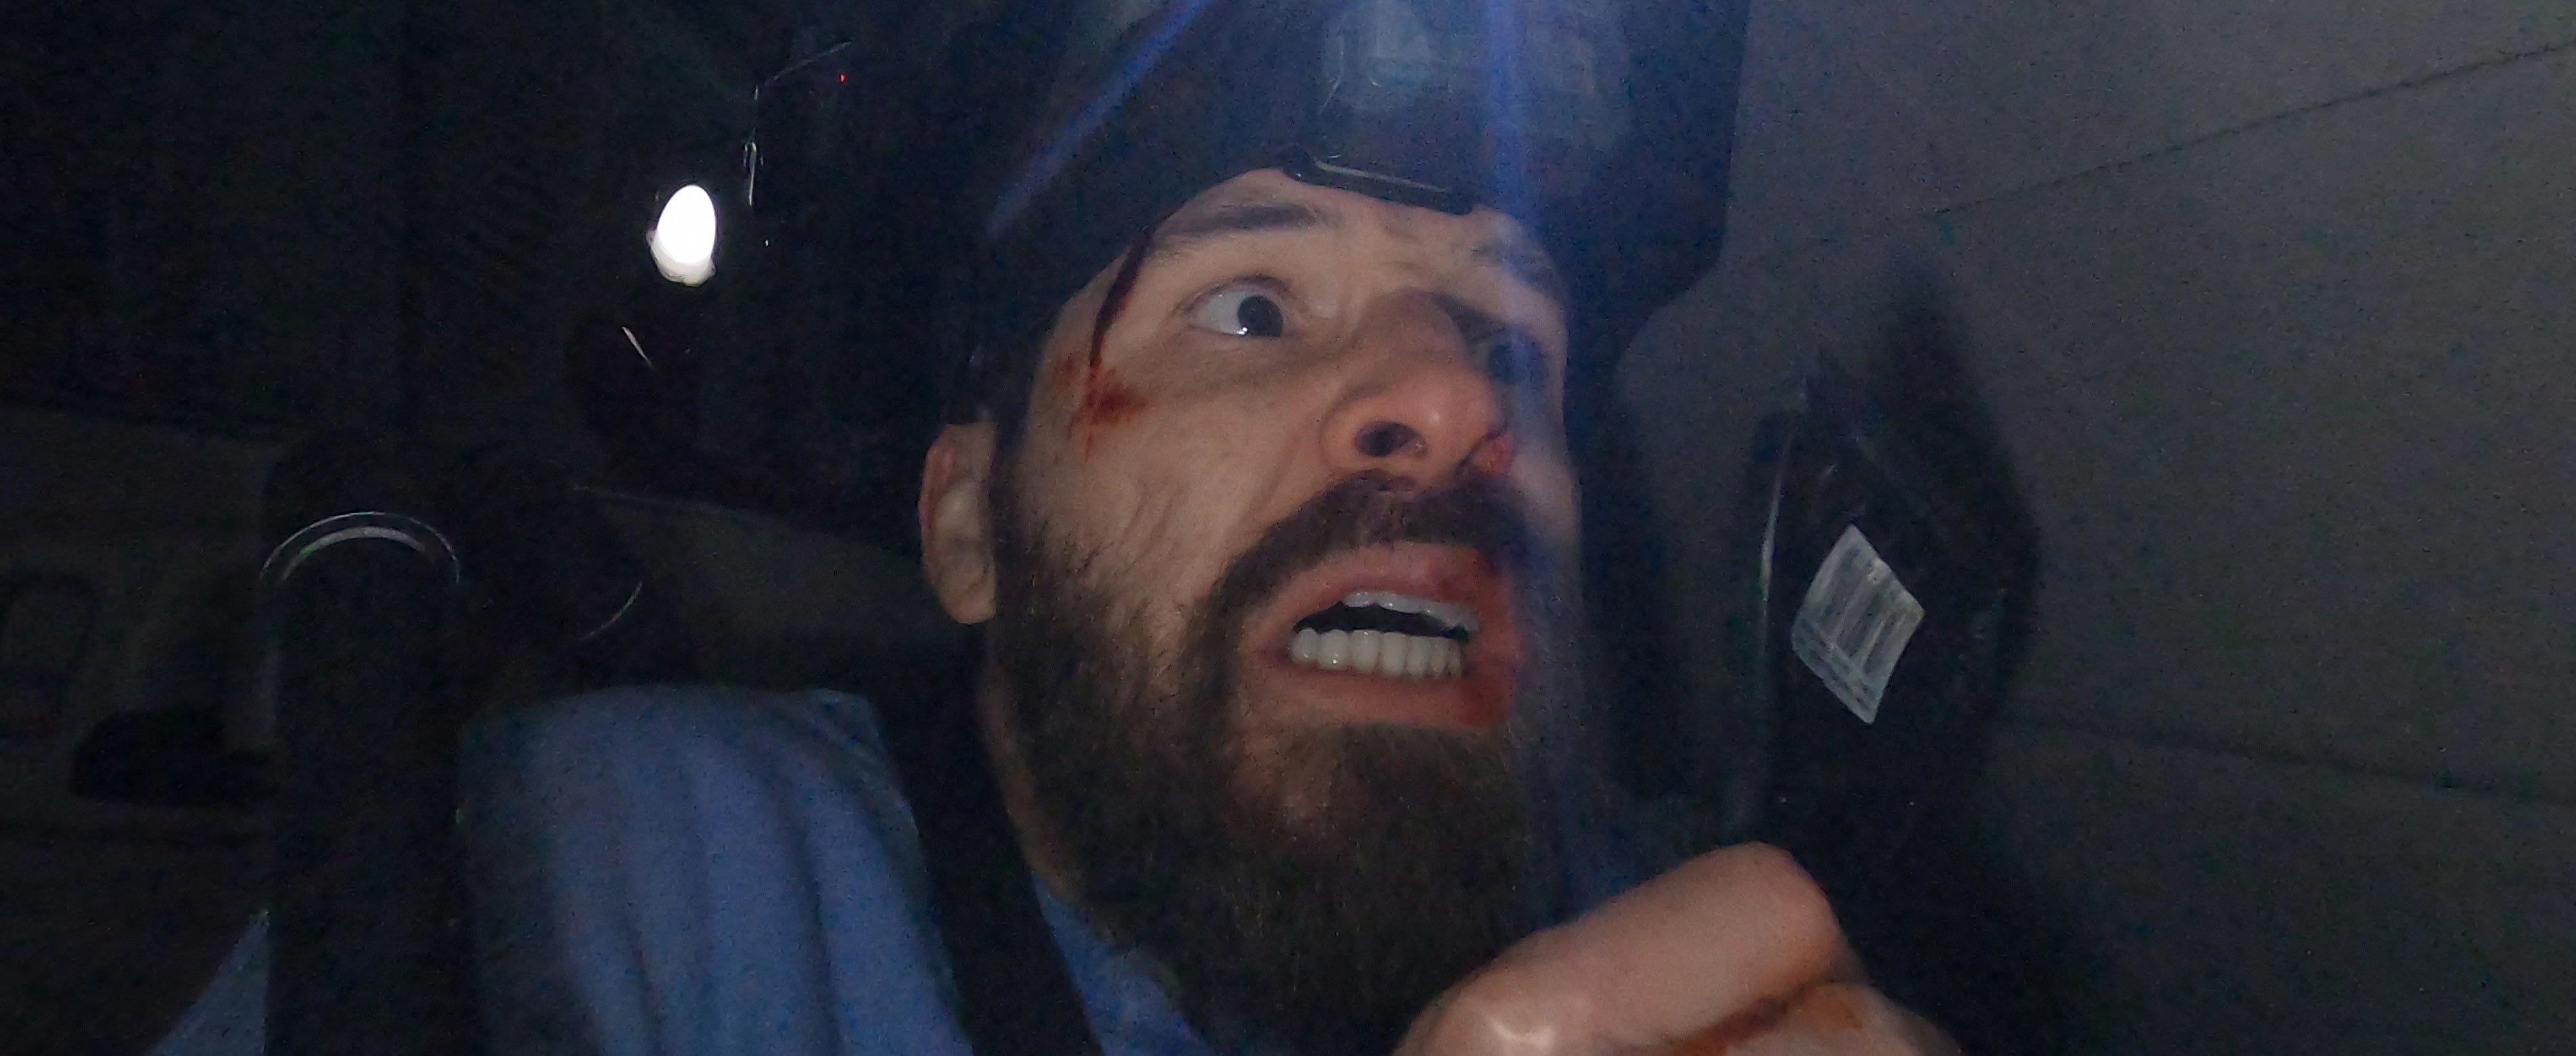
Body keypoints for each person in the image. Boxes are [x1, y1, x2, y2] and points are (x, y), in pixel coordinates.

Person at [455, 158, 1956, 1056]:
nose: (1453, 403)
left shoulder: (1704, 935)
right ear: (971, 526)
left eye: (1510, 348)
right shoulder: (634, 878)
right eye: (1250, 309)